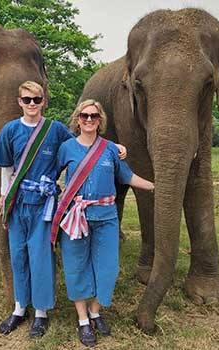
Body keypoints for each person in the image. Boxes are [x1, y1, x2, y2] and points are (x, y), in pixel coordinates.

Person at [0, 82, 126, 338]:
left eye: (37, 99)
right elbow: (7, 168)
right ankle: (20, 307)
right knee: (18, 254)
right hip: (17, 202)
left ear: (44, 101)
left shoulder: (54, 130)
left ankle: (41, 313)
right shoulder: (9, 130)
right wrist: (3, 195)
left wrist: (117, 148)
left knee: (41, 257)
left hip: (44, 205)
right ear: (19, 101)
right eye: (27, 99)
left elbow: (85, 145)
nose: (32, 104)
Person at [51, 99, 154, 347]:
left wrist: (153, 186)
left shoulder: (109, 149)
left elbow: (126, 175)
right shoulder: (66, 148)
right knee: (76, 266)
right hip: (76, 217)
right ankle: (83, 319)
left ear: (100, 121)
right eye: (84, 116)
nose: (89, 120)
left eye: (94, 116)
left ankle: (96, 311)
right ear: (77, 119)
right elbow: (51, 175)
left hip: (107, 218)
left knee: (108, 268)